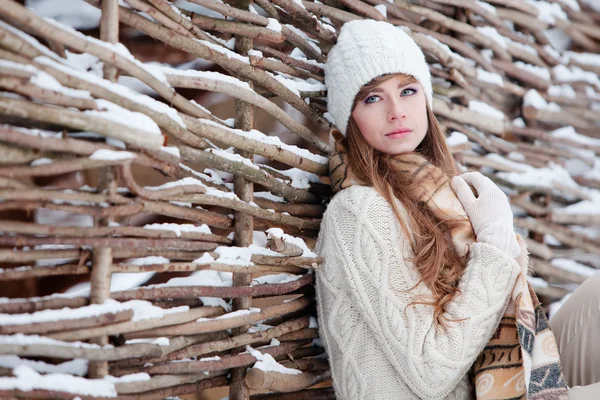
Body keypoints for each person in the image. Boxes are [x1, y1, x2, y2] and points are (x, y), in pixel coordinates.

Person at [315, 19, 600, 400]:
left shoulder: (439, 195)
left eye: (408, 90)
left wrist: (496, 241)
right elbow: (431, 372)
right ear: (350, 117)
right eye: (372, 98)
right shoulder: (358, 211)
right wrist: (496, 247)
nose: (397, 111)